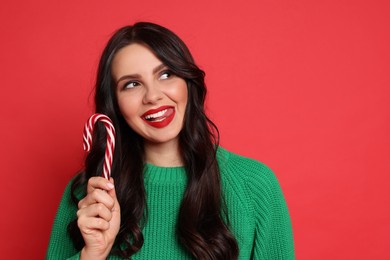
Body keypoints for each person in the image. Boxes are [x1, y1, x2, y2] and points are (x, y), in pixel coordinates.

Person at [46, 22, 294, 260]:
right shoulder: (91, 194)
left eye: (166, 74)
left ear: (188, 82)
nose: (153, 96)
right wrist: (93, 255)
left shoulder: (254, 185)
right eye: (132, 84)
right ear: (115, 104)